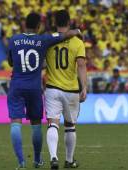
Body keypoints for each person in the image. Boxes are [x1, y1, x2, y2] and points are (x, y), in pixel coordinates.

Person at [7, 12, 82, 170]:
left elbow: (11, 62)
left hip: (17, 85)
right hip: (35, 88)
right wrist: (76, 31)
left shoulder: (13, 40)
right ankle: (37, 159)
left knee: (15, 123)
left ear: (24, 24)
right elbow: (63, 35)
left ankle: (21, 161)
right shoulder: (43, 40)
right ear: (39, 26)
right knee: (36, 124)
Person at [45, 10, 87, 170]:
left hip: (52, 88)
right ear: (69, 23)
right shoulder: (77, 42)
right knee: (70, 126)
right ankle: (69, 161)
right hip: (71, 90)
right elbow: (81, 66)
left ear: (55, 23)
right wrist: (84, 87)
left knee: (52, 124)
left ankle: (53, 157)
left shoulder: (49, 40)